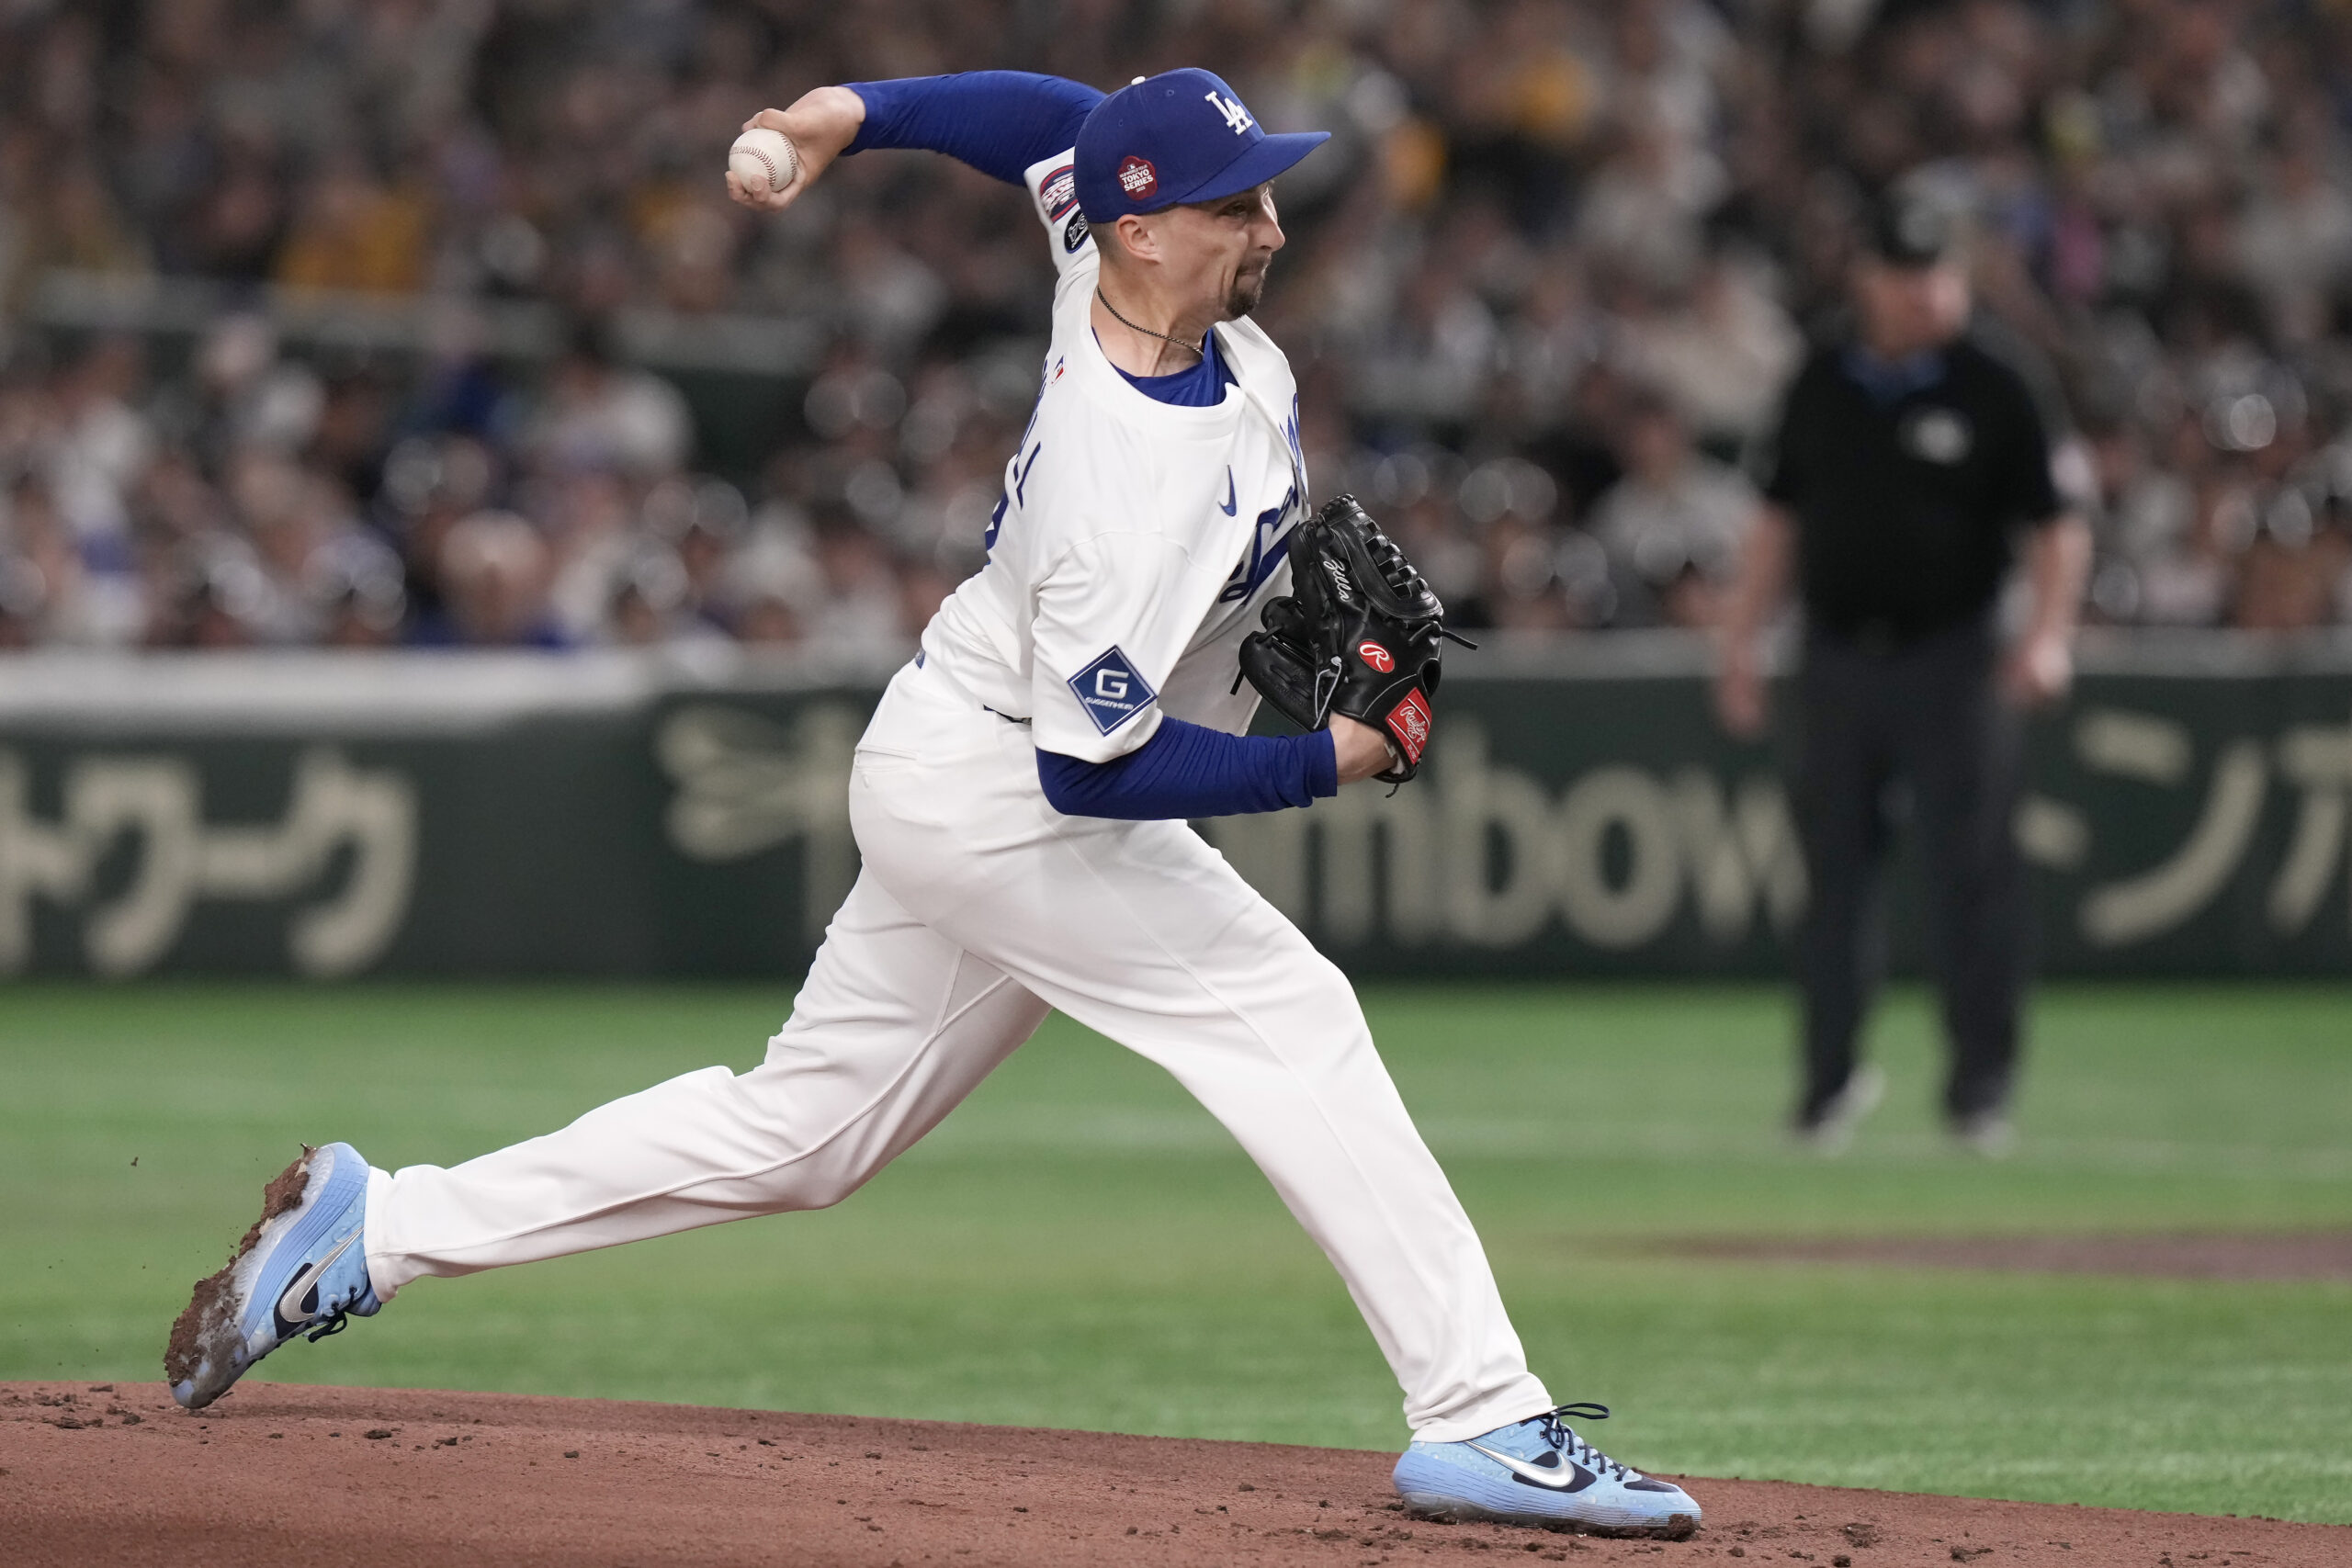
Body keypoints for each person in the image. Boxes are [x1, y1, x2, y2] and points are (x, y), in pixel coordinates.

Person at [164, 70, 1702, 1540]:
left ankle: (378, 1227)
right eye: (1239, 203)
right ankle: (1484, 1409)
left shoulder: (1123, 262)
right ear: (1149, 230)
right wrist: (1334, 759)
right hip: (1003, 790)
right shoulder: (1117, 467)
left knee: (805, 1134)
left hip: (953, 756)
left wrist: (851, 115)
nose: (1272, 226)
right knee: (1286, 1012)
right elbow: (1091, 772)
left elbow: (1050, 123)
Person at [1714, 192, 2091, 1156]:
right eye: (1909, 273)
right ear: (1867, 279)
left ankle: (1980, 1090)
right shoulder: (1824, 376)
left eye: (1941, 274)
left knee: (1973, 878)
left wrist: (2047, 637)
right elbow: (1776, 520)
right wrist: (1741, 645)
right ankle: (1828, 1083)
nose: (1929, 293)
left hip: (1953, 656)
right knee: (1832, 881)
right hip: (1837, 653)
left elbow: (2055, 525)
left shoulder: (1995, 379)